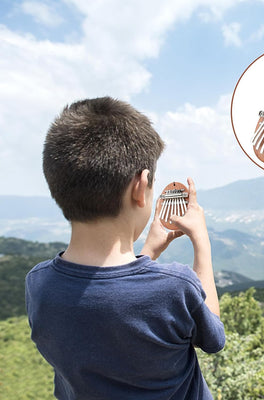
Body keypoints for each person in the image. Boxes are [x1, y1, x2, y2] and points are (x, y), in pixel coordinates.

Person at [25, 97, 225, 400]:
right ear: (140, 186)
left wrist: (148, 252)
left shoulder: (38, 284)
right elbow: (213, 339)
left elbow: (109, 305)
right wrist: (202, 242)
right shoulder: (174, 288)